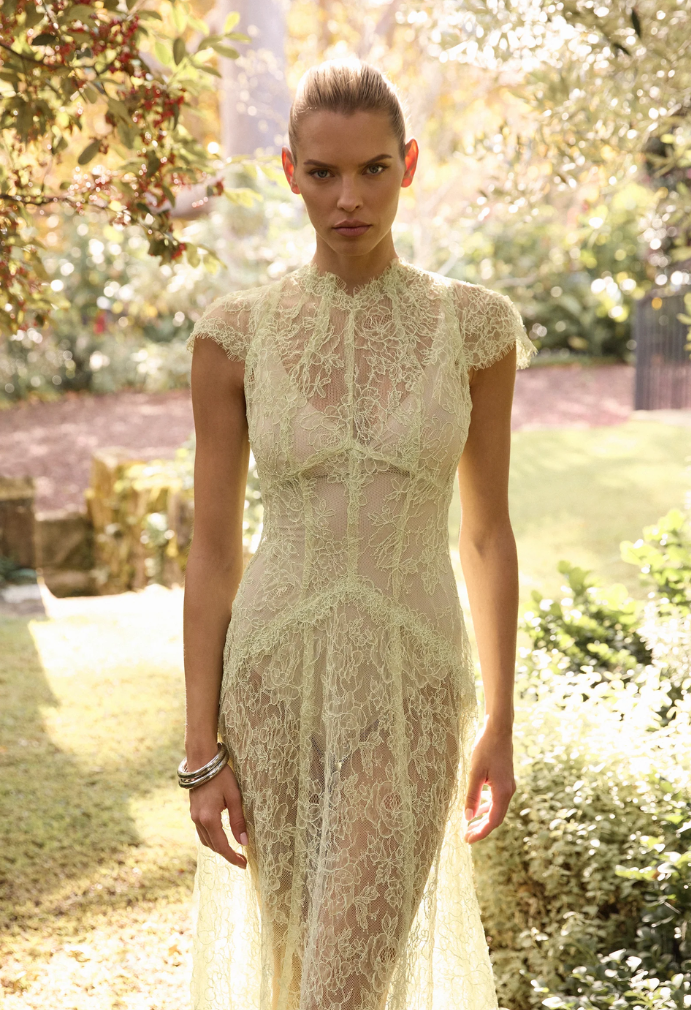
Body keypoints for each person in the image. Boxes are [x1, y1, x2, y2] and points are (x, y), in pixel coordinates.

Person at [181, 57, 536, 1010]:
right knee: (297, 974)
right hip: (270, 684)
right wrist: (199, 749)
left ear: (409, 164)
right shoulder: (235, 336)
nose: (350, 197)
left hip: (412, 680)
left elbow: (488, 535)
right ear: (288, 169)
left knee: (340, 988)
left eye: (374, 169)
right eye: (326, 172)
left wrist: (499, 717)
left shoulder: (475, 328)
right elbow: (212, 553)